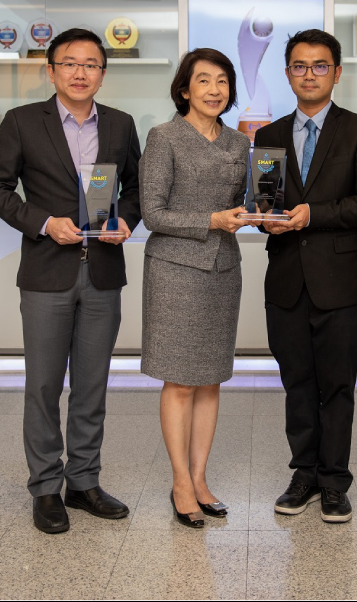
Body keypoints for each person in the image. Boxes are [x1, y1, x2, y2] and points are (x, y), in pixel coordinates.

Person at [0, 27, 142, 534]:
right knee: (45, 386)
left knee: (92, 386)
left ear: (102, 74)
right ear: (51, 71)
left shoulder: (120, 124)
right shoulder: (23, 121)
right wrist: (44, 223)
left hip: (103, 272)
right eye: (70, 63)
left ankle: (84, 482)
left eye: (91, 64)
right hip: (47, 271)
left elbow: (136, 188)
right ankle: (46, 488)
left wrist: (125, 220)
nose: (80, 72)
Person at [254, 29, 357, 523]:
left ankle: (334, 482)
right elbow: (264, 201)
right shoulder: (268, 136)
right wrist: (264, 218)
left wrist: (314, 214)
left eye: (319, 66)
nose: (309, 74)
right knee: (296, 383)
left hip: (339, 280)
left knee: (336, 385)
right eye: (299, 66)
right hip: (286, 281)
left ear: (337, 73)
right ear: (287, 73)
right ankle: (304, 474)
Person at [139, 48, 251, 529]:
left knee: (210, 379)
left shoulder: (240, 142)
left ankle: (201, 478)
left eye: (222, 81)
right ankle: (180, 481)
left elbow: (247, 200)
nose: (214, 89)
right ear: (184, 89)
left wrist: (262, 212)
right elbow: (153, 214)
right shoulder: (163, 137)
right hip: (175, 270)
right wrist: (212, 220)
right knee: (180, 380)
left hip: (224, 269)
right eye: (203, 80)